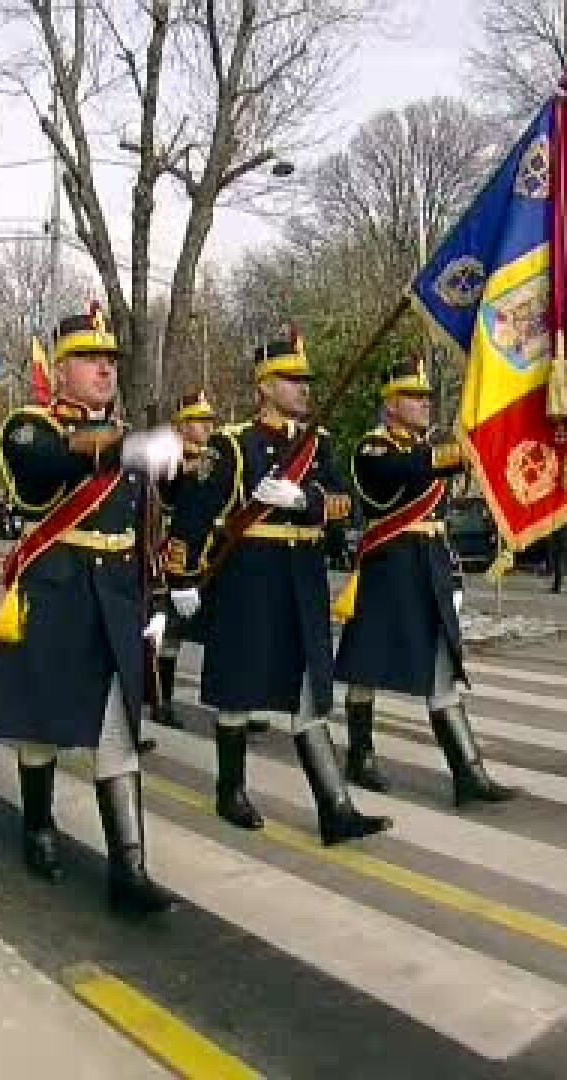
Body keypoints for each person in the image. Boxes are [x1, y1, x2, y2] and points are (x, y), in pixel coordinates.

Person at [0, 304, 182, 919]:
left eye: (109, 359)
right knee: (43, 727)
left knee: (118, 730)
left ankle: (129, 870)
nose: (104, 369)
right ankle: (38, 826)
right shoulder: (28, 427)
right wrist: (129, 448)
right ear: (60, 370)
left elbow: (153, 515)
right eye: (89, 359)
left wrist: (185, 464)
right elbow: (52, 463)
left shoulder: (125, 436)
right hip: (57, 594)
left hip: (116, 597)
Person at [164, 326, 392, 846]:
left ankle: (335, 808)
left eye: (305, 380)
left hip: (303, 577)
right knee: (239, 687)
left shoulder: (318, 444)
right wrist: (182, 578)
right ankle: (230, 790)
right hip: (250, 577)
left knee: (308, 689)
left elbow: (346, 503)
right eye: (291, 379)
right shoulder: (233, 444)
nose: (303, 388)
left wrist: (304, 500)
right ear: (264, 386)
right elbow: (195, 512)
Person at [330, 356, 517, 804]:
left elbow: (437, 475)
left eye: (426, 397)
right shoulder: (373, 449)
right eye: (414, 397)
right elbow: (405, 470)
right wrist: (459, 449)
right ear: (391, 404)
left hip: (429, 564)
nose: (424, 404)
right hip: (389, 566)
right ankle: (360, 756)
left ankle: (468, 771)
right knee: (367, 663)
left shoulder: (428, 450)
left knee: (441, 665)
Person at [146, 388, 219, 731]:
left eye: (209, 421)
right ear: (182, 425)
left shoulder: (218, 456)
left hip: (211, 552)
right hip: (174, 553)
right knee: (169, 630)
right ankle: (161, 698)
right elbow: (165, 496)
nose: (207, 427)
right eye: (199, 421)